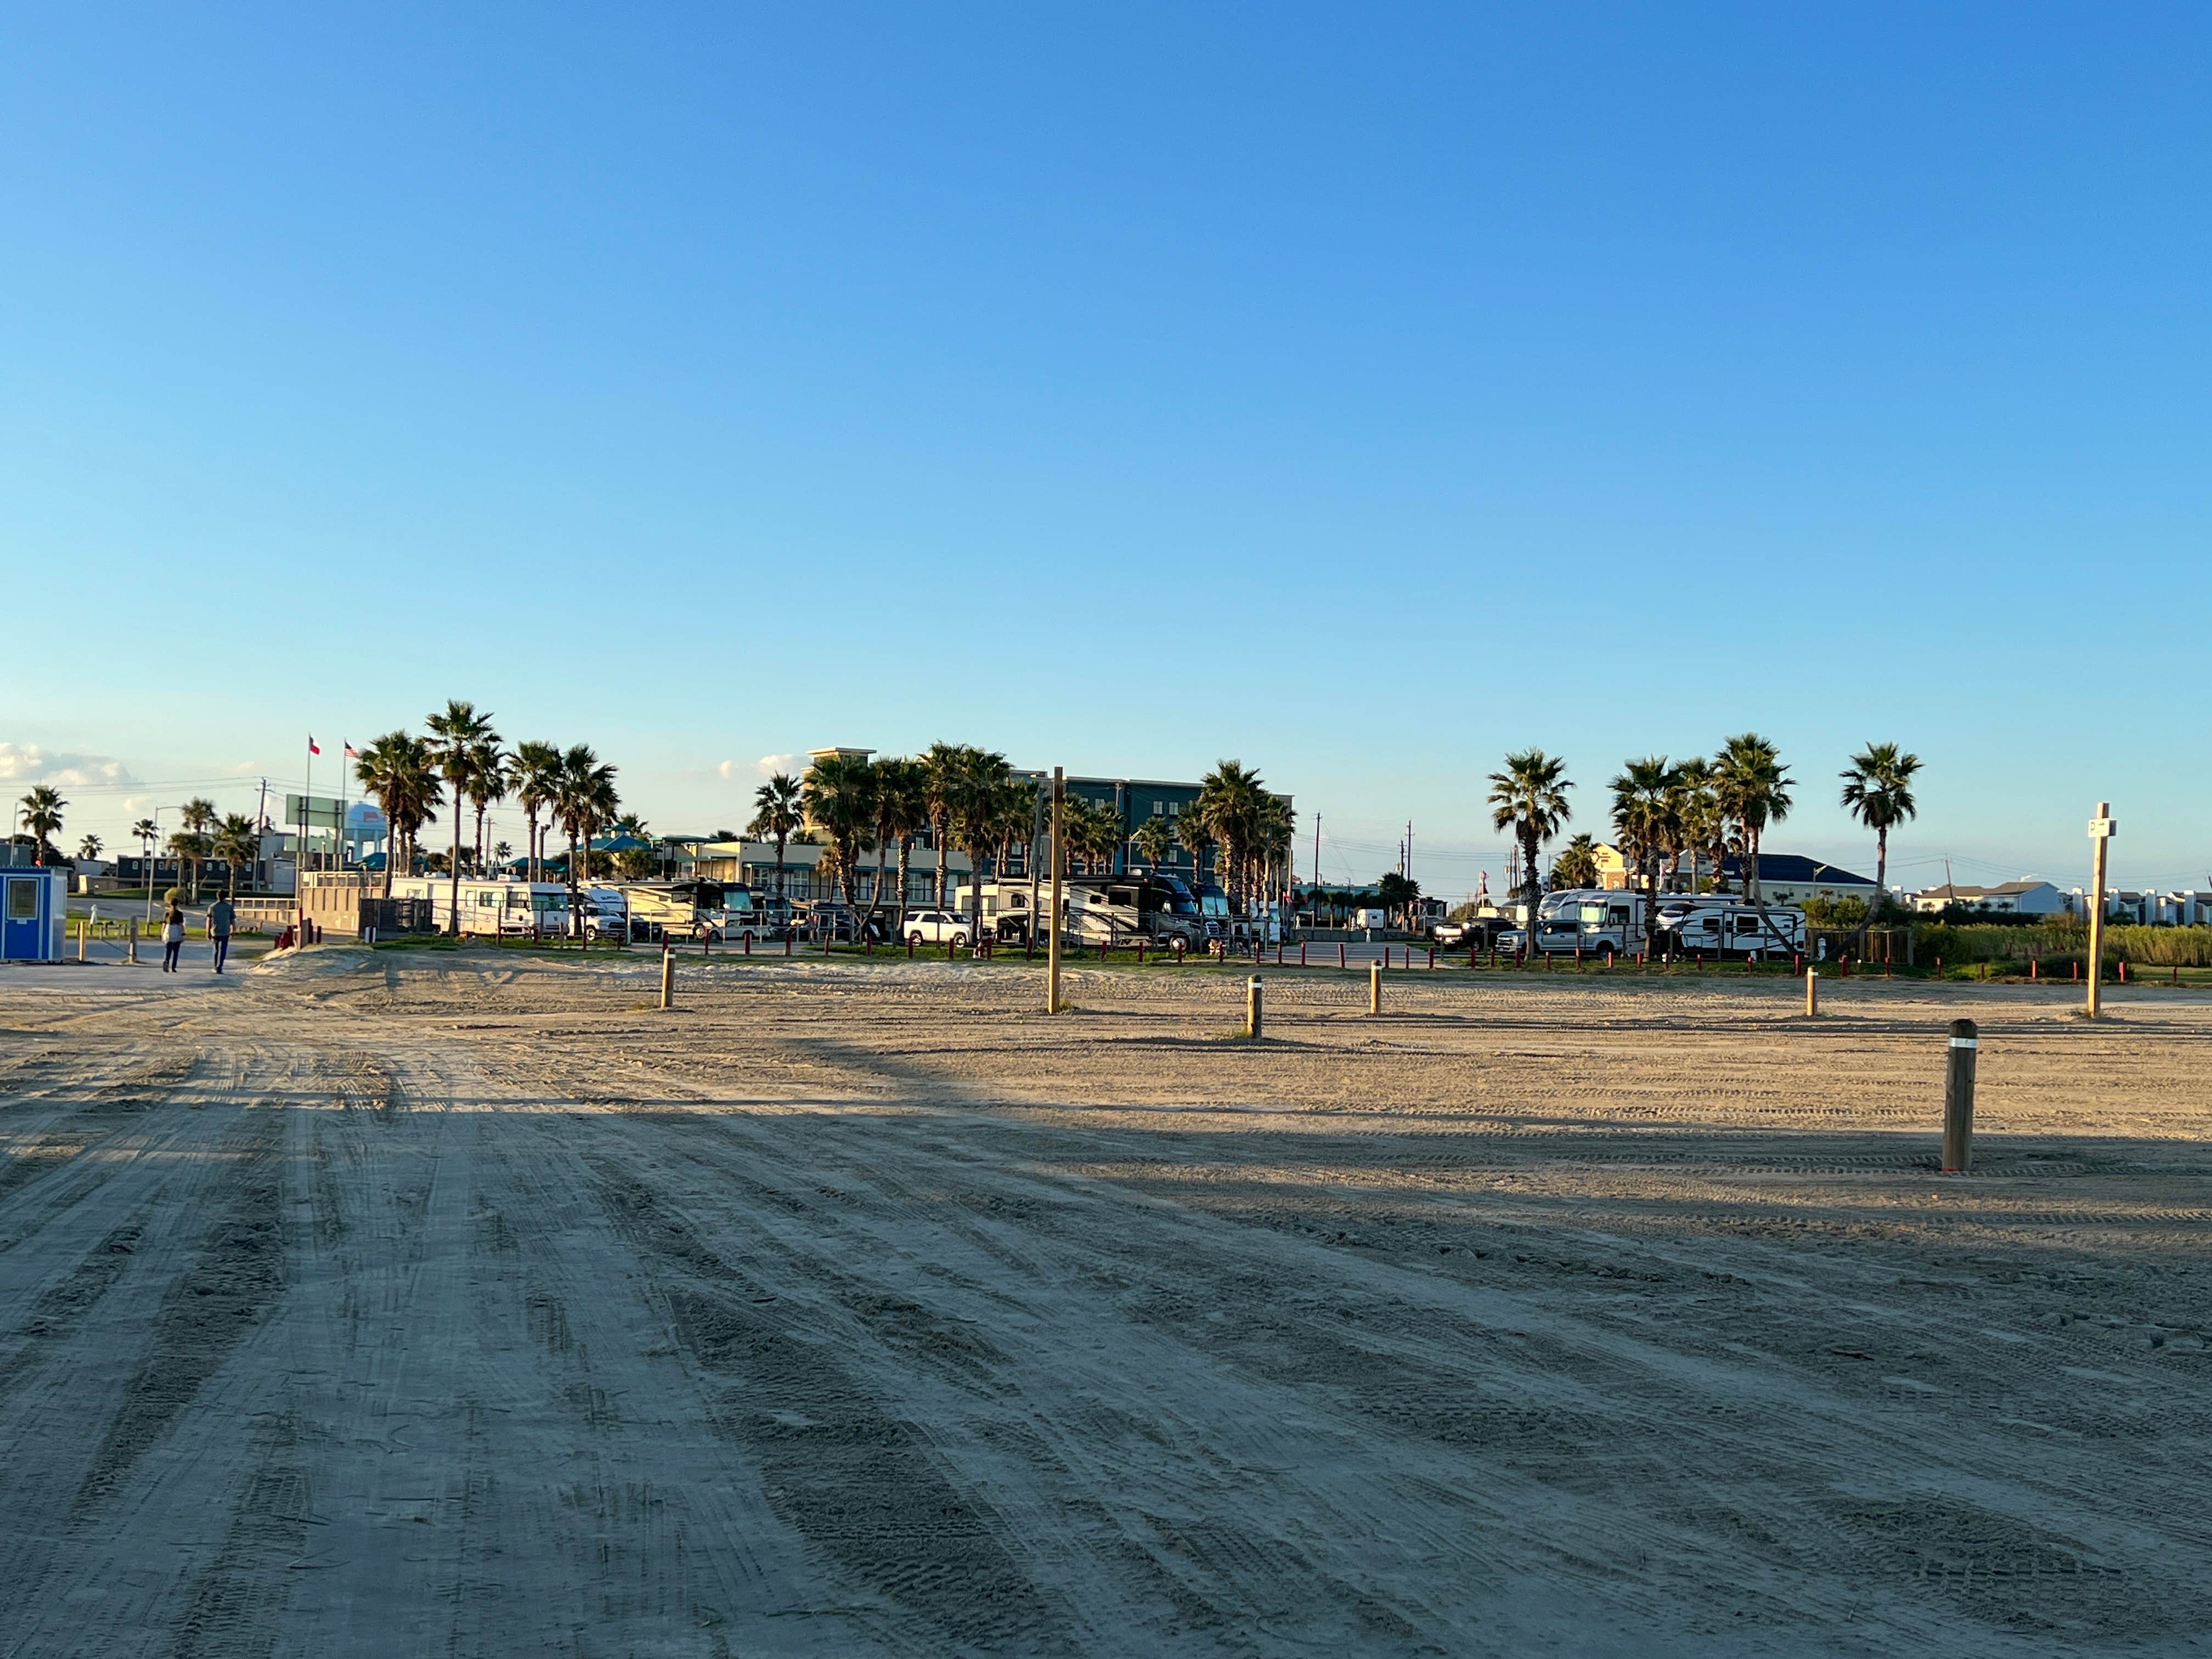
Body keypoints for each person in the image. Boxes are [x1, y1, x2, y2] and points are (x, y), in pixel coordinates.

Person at [206, 895, 236, 974]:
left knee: (216, 949)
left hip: (215, 931)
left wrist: (208, 932)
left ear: (217, 897)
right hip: (225, 931)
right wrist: (233, 930)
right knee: (223, 950)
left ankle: (215, 966)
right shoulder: (229, 907)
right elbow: (232, 921)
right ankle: (220, 967)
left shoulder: (212, 907)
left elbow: (209, 920)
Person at [160, 899, 185, 973]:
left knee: (168, 951)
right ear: (177, 904)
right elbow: (181, 925)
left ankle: (166, 962)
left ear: (170, 904)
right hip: (177, 933)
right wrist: (183, 934)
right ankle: (173, 968)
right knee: (176, 952)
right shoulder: (180, 914)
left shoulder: (167, 913)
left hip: (169, 933)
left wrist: (162, 935)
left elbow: (164, 925)